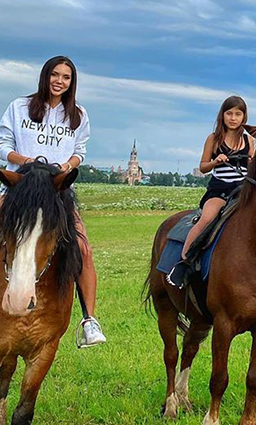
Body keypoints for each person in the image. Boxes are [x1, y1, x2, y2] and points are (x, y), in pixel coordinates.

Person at [0, 56, 107, 346]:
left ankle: (89, 320)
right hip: (21, 187)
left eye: (66, 77)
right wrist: (25, 161)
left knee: (82, 248)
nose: (60, 81)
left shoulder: (78, 115)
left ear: (72, 82)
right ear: (46, 76)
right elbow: (4, 145)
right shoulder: (19, 107)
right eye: (55, 75)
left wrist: (67, 166)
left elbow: (80, 151)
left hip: (56, 193)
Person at [168, 96, 254, 288]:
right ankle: (184, 262)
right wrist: (216, 161)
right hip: (220, 189)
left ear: (243, 117)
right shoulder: (213, 139)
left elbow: (253, 163)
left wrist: (252, 163)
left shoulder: (248, 140)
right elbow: (203, 166)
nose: (233, 118)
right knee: (207, 218)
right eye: (229, 113)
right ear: (222, 115)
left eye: (237, 114)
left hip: (243, 190)